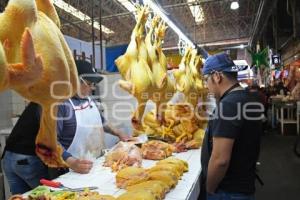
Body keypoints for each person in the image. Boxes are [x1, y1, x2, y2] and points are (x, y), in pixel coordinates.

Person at [199, 53, 263, 200]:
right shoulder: (249, 98)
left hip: (228, 192)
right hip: (243, 186)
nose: (206, 86)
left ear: (216, 77)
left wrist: (209, 188)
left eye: (206, 79)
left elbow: (221, 160)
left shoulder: (228, 105)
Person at [52, 59, 130, 175]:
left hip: (93, 164)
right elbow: (52, 141)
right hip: (68, 169)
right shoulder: (60, 104)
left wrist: (118, 132)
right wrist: (72, 162)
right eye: (89, 84)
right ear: (74, 81)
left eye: (93, 84)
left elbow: (100, 121)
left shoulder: (88, 99)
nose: (92, 88)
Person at [1, 102, 49, 194]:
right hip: (26, 159)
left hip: (8, 157)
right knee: (46, 194)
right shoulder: (50, 105)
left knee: (20, 197)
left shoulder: (36, 103)